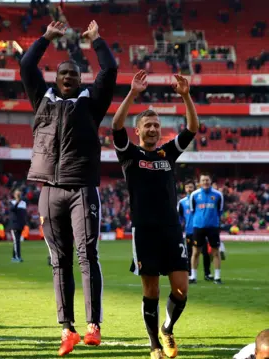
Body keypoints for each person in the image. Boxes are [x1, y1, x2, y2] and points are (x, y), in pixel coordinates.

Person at [20, 19, 117, 355]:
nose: (68, 79)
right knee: (59, 262)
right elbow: (26, 64)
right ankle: (67, 329)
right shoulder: (41, 98)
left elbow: (110, 69)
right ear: (56, 78)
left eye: (74, 75)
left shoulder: (92, 103)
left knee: (86, 256)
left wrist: (96, 40)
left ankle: (93, 325)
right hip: (49, 189)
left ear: (79, 80)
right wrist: (46, 37)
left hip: (81, 188)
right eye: (63, 74)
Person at [112, 71, 198, 359]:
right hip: (144, 231)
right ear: (138, 130)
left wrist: (185, 95)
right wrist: (132, 94)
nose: (152, 129)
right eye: (147, 125)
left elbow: (192, 128)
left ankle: (168, 327)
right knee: (151, 291)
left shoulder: (166, 155)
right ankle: (154, 345)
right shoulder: (130, 156)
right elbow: (115, 125)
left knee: (181, 290)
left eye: (156, 125)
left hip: (172, 229)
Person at [189, 173, 224, 284]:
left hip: (213, 227)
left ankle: (217, 277)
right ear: (199, 182)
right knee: (195, 252)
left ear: (210, 181)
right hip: (198, 227)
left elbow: (220, 210)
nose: (205, 182)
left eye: (207, 180)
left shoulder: (218, 195)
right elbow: (192, 210)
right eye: (203, 180)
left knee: (215, 252)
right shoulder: (194, 195)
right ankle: (193, 277)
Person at [177, 181, 212, 281]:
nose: (189, 189)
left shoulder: (199, 199)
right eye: (187, 187)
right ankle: (190, 275)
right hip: (189, 231)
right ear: (185, 189)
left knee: (205, 253)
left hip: (201, 229)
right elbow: (179, 218)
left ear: (195, 188)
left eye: (191, 187)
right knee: (189, 253)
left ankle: (207, 273)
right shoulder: (182, 202)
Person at [9, 188, 27, 262]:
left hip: (21, 225)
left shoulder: (24, 203)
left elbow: (23, 215)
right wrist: (17, 202)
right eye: (17, 194)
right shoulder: (12, 202)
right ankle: (17, 257)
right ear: (14, 195)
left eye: (19, 194)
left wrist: (24, 224)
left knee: (16, 241)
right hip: (14, 225)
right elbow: (12, 209)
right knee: (16, 241)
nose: (19, 196)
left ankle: (14, 257)